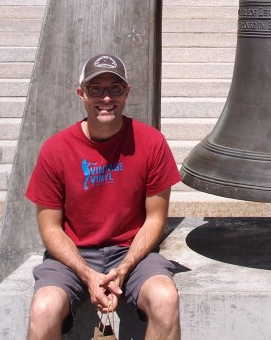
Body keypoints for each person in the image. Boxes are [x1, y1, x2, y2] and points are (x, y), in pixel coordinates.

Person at [25, 53, 183, 340]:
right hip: (73, 253)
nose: (106, 98)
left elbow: (155, 218)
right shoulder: (55, 149)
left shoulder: (151, 143)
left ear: (127, 93)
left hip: (132, 251)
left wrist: (124, 267)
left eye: (115, 89)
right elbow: (50, 227)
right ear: (81, 94)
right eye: (96, 89)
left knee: (165, 298)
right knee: (43, 309)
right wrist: (87, 274)